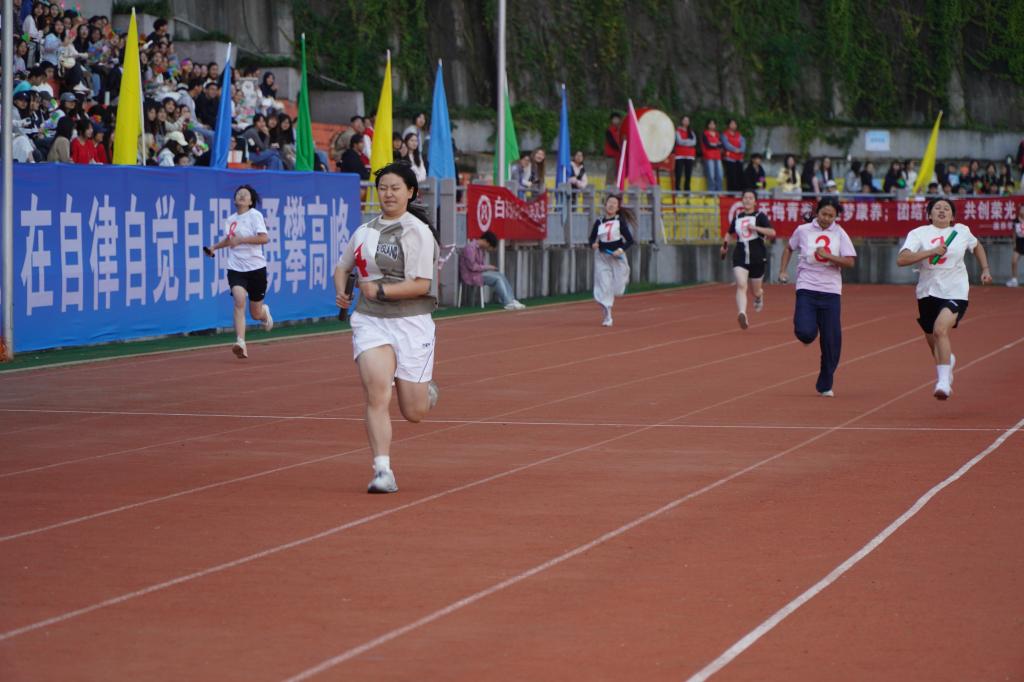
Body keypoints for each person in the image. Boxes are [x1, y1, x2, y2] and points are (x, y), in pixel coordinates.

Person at [334, 162, 441, 494]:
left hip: (411, 323)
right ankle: (383, 471)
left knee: (414, 411)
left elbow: (421, 285)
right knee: (377, 393)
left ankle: (425, 391)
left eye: (395, 188)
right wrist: (341, 291)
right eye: (383, 188)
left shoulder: (418, 232)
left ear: (410, 192)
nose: (388, 194)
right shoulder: (364, 231)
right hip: (371, 321)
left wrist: (380, 290)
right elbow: (343, 267)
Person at [896, 197, 991, 399]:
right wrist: (930, 252)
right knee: (934, 342)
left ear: (952, 216)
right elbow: (902, 259)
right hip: (927, 292)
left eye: (946, 208)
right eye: (937, 208)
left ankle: (943, 383)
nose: (942, 211)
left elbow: (977, 246)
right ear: (929, 214)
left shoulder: (961, 231)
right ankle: (947, 362)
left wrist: (985, 269)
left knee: (940, 330)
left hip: (955, 291)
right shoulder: (919, 233)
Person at [778, 196, 857, 397]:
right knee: (805, 332)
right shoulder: (803, 230)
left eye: (831, 216)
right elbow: (789, 248)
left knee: (832, 341)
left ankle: (825, 384)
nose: (827, 219)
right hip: (807, 286)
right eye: (824, 214)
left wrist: (829, 256)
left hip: (831, 291)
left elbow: (850, 262)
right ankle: (807, 334)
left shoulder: (840, 233)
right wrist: (783, 271)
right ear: (817, 212)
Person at [203, 185, 274, 359]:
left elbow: (264, 238)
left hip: (256, 268)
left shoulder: (255, 215)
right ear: (234, 200)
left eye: (245, 194)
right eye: (239, 194)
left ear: (250, 201)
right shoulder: (230, 220)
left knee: (255, 313)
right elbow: (230, 241)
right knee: (239, 299)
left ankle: (264, 313)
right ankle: (240, 342)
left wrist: (243, 239)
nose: (241, 195)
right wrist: (214, 247)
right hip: (236, 268)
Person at [721, 190, 776, 329]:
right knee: (741, 284)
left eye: (751, 198)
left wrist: (755, 228)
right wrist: (724, 246)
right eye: (745, 198)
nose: (747, 200)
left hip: (757, 257)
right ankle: (742, 313)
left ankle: (759, 296)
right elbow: (729, 233)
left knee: (755, 291)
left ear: (755, 202)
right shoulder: (737, 217)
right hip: (740, 255)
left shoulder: (760, 216)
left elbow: (772, 233)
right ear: (742, 200)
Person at [589, 193, 635, 327]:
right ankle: (607, 315)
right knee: (604, 285)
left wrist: (620, 250)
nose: (611, 205)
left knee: (618, 289)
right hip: (602, 257)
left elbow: (630, 240)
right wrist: (593, 244)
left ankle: (614, 293)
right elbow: (591, 238)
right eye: (609, 202)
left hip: (617, 257)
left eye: (614, 203)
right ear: (605, 205)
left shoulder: (620, 221)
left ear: (618, 208)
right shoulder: (599, 221)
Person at [459, 230, 526, 310]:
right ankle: (507, 302)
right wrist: (488, 267)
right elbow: (472, 267)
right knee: (497, 279)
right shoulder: (470, 248)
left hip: (478, 274)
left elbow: (479, 266)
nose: (489, 249)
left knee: (500, 275)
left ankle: (511, 300)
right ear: (486, 241)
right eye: (489, 246)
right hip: (470, 276)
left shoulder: (480, 249)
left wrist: (487, 268)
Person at [673, 115, 697, 191]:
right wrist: (688, 142)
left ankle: (687, 190)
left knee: (688, 174)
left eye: (687, 120)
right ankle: (677, 189)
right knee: (678, 173)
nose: (686, 122)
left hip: (690, 155)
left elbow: (694, 142)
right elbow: (679, 141)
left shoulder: (691, 132)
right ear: (681, 121)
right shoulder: (677, 131)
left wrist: (685, 142)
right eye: (685, 120)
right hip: (680, 155)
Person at [722, 118, 746, 191]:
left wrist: (740, 150)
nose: (733, 125)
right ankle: (731, 194)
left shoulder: (739, 135)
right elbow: (726, 145)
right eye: (732, 124)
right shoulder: (725, 134)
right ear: (728, 125)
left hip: (739, 159)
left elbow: (743, 145)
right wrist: (735, 149)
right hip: (729, 159)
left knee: (740, 177)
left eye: (735, 124)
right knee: (731, 177)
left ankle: (739, 193)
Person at [701, 119, 723, 192]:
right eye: (710, 124)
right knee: (711, 175)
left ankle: (719, 191)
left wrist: (713, 144)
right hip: (709, 156)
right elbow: (707, 145)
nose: (712, 125)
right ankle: (711, 191)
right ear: (708, 125)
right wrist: (716, 144)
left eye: (713, 124)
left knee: (720, 174)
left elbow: (721, 144)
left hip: (718, 156)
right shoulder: (705, 133)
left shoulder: (717, 134)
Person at [603, 112, 622, 186]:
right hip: (611, 157)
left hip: (619, 156)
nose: (616, 120)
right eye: (614, 119)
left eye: (617, 119)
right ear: (611, 120)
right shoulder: (609, 130)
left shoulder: (621, 130)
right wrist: (620, 148)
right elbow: (611, 142)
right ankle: (608, 191)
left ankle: (616, 190)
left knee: (618, 175)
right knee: (610, 175)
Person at [1008, 204, 1024, 287]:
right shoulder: (1016, 220)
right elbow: (1014, 233)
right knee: (1014, 261)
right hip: (1019, 243)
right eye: (1021, 209)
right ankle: (1014, 280)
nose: (1022, 210)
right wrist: (1014, 243)